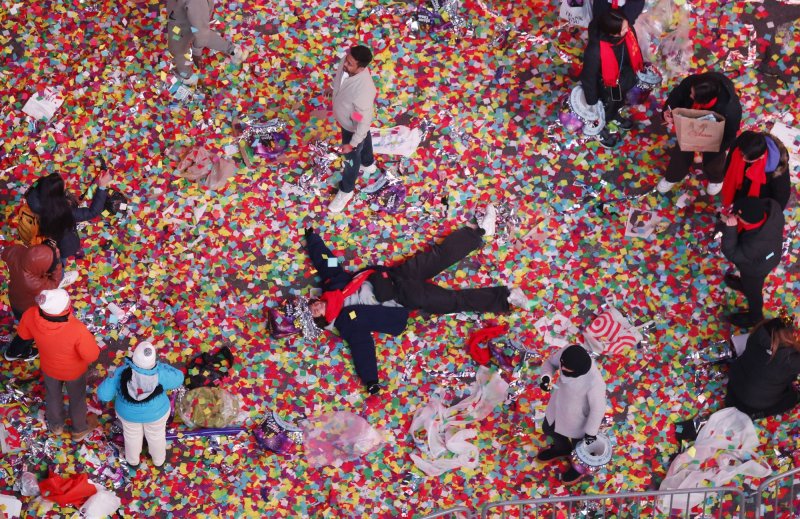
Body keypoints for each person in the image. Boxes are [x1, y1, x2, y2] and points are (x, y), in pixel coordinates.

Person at [303, 206, 529, 393]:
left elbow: (327, 262)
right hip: (405, 299)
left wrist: (312, 240)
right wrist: (371, 380)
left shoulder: (333, 284)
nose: (317, 306)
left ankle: (479, 232)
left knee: (437, 256)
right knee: (453, 301)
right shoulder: (346, 323)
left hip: (395, 277)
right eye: (315, 313)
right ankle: (506, 297)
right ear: (321, 321)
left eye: (312, 305)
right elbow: (362, 348)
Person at [16, 289, 100, 440]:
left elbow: (24, 335)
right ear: (65, 308)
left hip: (49, 367)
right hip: (74, 371)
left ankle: (56, 426)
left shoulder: (30, 314)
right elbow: (92, 355)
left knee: (53, 395)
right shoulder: (77, 329)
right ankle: (78, 429)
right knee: (77, 397)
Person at [98, 341, 185, 469]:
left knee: (131, 436)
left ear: (133, 358)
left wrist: (111, 376)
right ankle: (159, 462)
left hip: (128, 415)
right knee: (156, 436)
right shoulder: (160, 372)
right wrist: (159, 366)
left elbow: (103, 395)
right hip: (157, 414)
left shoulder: (120, 372)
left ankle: (133, 462)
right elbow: (179, 378)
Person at [657, 72, 742, 195]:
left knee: (714, 159)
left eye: (693, 95)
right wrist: (667, 111)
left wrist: (712, 149)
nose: (690, 95)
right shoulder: (693, 83)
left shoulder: (730, 109)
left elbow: (729, 136)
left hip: (715, 133)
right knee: (682, 151)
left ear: (704, 100)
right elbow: (676, 96)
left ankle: (716, 178)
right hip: (689, 126)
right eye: (691, 92)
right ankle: (672, 177)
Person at [537, 344, 607, 484]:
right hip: (557, 407)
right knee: (548, 428)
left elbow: (597, 409)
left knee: (580, 450)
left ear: (578, 371)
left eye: (566, 370)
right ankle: (561, 449)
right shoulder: (567, 351)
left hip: (578, 422)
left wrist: (590, 433)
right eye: (562, 366)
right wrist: (546, 377)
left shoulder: (595, 382)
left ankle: (578, 468)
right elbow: (551, 363)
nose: (562, 370)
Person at [580, 10, 645, 148]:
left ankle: (613, 115)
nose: (628, 29)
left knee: (617, 102)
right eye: (623, 29)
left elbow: (634, 51)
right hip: (606, 84)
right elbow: (588, 78)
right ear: (612, 32)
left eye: (626, 26)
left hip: (623, 79)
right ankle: (599, 127)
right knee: (603, 107)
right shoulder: (595, 50)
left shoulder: (628, 32)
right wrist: (592, 103)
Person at [328, 45, 378, 213]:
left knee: (351, 157)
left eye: (349, 64)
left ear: (362, 68)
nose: (345, 65)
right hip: (353, 115)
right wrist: (335, 93)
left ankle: (346, 190)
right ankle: (368, 162)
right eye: (347, 60)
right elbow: (342, 81)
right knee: (361, 127)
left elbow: (364, 121)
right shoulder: (348, 62)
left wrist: (353, 143)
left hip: (353, 120)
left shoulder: (364, 90)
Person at [720, 197, 784, 328]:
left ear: (746, 220)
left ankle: (755, 317)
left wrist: (731, 230)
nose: (735, 216)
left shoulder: (754, 245)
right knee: (749, 283)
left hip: (756, 269)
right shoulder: (773, 212)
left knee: (753, 291)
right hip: (770, 254)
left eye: (737, 215)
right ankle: (745, 285)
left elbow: (732, 253)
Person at [25, 171, 112, 263]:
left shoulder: (33, 195)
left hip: (44, 229)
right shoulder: (62, 212)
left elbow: (38, 184)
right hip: (62, 242)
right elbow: (92, 212)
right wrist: (102, 186)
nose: (66, 183)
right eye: (64, 185)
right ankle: (61, 271)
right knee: (60, 258)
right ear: (57, 195)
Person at [1, 240, 66, 361]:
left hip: (15, 297)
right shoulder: (34, 283)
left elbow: (5, 253)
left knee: (23, 323)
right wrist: (56, 260)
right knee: (29, 332)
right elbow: (55, 283)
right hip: (26, 308)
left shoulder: (17, 250)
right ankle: (14, 352)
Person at [726, 314, 800, 419]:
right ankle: (758, 414)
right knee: (791, 398)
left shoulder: (758, 332)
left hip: (735, 384)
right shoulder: (790, 359)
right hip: (754, 403)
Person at [166, 0, 248, 85]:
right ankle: (234, 51)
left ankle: (186, 76)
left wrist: (196, 52)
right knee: (201, 30)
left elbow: (201, 33)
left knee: (177, 50)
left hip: (182, 24)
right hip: (188, 15)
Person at [720, 131, 791, 210]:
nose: (742, 159)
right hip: (738, 187)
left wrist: (769, 212)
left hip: (758, 197)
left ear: (761, 157)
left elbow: (781, 195)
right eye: (742, 154)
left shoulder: (778, 168)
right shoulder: (743, 143)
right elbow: (729, 161)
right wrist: (726, 174)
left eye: (748, 159)